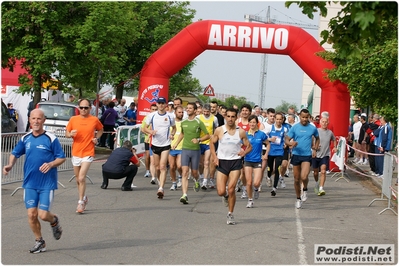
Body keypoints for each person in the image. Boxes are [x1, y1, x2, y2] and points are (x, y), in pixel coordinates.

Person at [3, 109, 66, 253]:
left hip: (46, 183)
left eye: (39, 118)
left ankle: (54, 220)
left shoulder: (51, 138)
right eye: (33, 118)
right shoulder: (26, 138)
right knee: (31, 214)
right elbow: (15, 153)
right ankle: (39, 241)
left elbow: (61, 157)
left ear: (44, 120)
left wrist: (50, 164)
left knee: (43, 215)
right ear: (30, 120)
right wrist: (10, 165)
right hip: (30, 183)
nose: (36, 121)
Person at [210, 107, 252, 225]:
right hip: (222, 161)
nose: (230, 119)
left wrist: (244, 152)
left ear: (236, 117)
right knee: (221, 191)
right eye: (228, 116)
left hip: (235, 162)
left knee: (232, 188)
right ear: (225, 117)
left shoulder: (241, 132)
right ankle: (225, 196)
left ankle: (230, 214)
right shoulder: (219, 130)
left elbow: (249, 146)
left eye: (233, 116)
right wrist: (214, 157)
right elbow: (211, 143)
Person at [66, 99, 103, 214]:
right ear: (78, 108)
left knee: (82, 178)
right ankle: (84, 197)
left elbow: (101, 129)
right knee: (78, 179)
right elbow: (67, 133)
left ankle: (80, 202)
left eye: (86, 108)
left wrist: (97, 138)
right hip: (76, 152)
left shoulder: (94, 120)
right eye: (81, 107)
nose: (83, 110)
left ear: (90, 108)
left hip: (88, 152)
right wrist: (70, 134)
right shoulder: (73, 119)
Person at [172, 102, 209, 204]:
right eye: (187, 108)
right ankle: (184, 195)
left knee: (194, 172)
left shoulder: (198, 122)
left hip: (195, 150)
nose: (187, 110)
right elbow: (182, 134)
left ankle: (197, 180)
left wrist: (199, 139)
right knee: (184, 172)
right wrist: (176, 143)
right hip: (185, 149)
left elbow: (207, 135)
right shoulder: (183, 122)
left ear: (195, 110)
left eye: (190, 108)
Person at [285, 109, 319, 209]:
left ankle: (305, 189)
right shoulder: (295, 127)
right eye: (303, 117)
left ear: (308, 117)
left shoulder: (312, 128)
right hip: (296, 154)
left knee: (304, 177)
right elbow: (287, 139)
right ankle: (298, 198)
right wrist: (291, 143)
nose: (304, 119)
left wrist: (315, 149)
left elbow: (317, 138)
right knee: (296, 179)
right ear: (299, 116)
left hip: (307, 155)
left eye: (306, 117)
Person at [143, 97, 176, 199]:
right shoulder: (151, 116)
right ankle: (159, 181)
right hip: (155, 144)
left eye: (163, 103)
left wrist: (172, 134)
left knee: (162, 166)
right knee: (157, 167)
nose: (161, 105)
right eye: (159, 103)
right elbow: (143, 128)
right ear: (156, 104)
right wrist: (150, 132)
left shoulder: (170, 116)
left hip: (165, 144)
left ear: (166, 105)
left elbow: (174, 128)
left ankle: (161, 188)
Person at [243, 115, 267, 208]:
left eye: (254, 122)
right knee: (249, 182)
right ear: (248, 123)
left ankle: (256, 189)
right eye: (250, 122)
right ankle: (250, 200)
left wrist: (266, 154)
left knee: (256, 183)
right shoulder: (245, 134)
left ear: (257, 123)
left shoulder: (261, 134)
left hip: (257, 160)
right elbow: (241, 145)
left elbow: (268, 144)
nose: (252, 124)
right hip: (247, 160)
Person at [264, 112, 289, 197]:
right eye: (277, 119)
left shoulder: (284, 129)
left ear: (282, 120)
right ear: (274, 119)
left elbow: (287, 138)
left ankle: (274, 188)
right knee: (270, 168)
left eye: (280, 119)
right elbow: (263, 137)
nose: (278, 121)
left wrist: (286, 143)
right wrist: (270, 139)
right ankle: (268, 177)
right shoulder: (270, 128)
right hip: (271, 151)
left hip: (279, 152)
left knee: (278, 168)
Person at [312, 117, 336, 196]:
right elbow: (311, 141)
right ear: (320, 122)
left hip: (325, 155)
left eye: (326, 122)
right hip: (316, 154)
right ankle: (316, 183)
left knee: (323, 171)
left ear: (328, 123)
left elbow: (334, 139)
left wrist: (335, 147)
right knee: (315, 172)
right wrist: (314, 147)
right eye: (323, 122)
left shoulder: (330, 132)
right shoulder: (316, 131)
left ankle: (321, 188)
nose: (324, 123)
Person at [198, 103, 218, 190]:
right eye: (204, 111)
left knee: (206, 162)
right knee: (200, 163)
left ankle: (205, 181)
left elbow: (216, 129)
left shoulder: (214, 118)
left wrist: (214, 137)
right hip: (199, 142)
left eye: (208, 111)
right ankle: (201, 176)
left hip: (209, 143)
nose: (206, 113)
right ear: (202, 111)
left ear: (210, 111)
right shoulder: (198, 118)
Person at [140, 103, 158, 181]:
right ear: (150, 110)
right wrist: (149, 133)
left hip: (157, 141)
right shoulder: (147, 118)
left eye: (155, 109)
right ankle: (147, 171)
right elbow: (142, 129)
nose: (154, 111)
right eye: (152, 109)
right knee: (147, 156)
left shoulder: (159, 118)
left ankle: (156, 172)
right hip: (148, 140)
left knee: (156, 158)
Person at [168, 106, 184, 190]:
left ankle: (180, 177)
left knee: (179, 166)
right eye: (179, 112)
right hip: (171, 148)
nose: (181, 114)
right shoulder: (171, 123)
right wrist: (169, 136)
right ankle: (174, 183)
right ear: (175, 113)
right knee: (172, 167)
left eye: (182, 112)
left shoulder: (184, 123)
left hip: (181, 148)